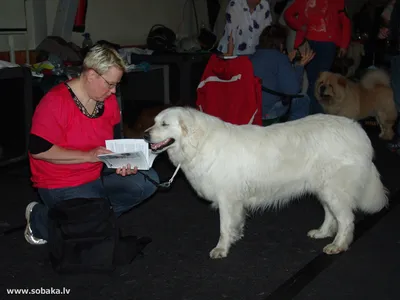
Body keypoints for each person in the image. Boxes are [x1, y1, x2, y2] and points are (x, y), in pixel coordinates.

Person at [25, 44, 159, 245]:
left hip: (96, 171)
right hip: (60, 180)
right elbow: (38, 150)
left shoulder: (108, 101)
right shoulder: (55, 102)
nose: (113, 91)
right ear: (90, 75)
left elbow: (111, 142)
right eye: (110, 84)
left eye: (116, 85)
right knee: (90, 228)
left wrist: (121, 162)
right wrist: (87, 156)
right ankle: (39, 217)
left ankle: (93, 218)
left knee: (147, 181)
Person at [284, 0, 351, 114]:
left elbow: (346, 22)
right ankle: (314, 113)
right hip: (310, 42)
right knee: (312, 80)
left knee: (319, 80)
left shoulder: (338, 2)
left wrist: (344, 44)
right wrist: (300, 26)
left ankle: (314, 113)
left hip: (326, 44)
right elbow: (288, 15)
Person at [250, 24, 315, 123]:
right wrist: (300, 66)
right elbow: (293, 90)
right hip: (268, 112)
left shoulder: (252, 57)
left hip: (251, 110)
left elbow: (269, 76)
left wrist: (287, 63)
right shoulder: (280, 58)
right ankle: (292, 132)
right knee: (303, 99)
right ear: (281, 44)